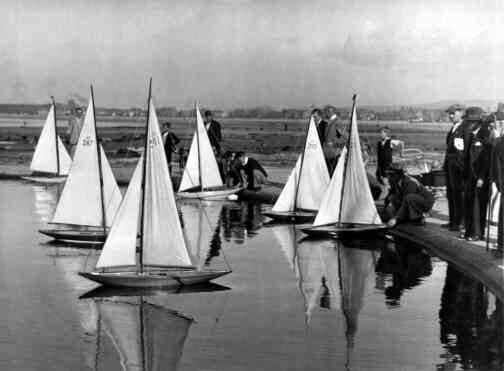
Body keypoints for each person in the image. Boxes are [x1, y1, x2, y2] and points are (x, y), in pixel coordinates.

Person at [463, 117, 492, 241]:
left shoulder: (485, 135)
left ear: (475, 123)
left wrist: (482, 177)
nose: (467, 124)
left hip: (479, 178)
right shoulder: (471, 135)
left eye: (469, 122)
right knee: (469, 204)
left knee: (478, 206)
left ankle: (478, 233)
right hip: (470, 176)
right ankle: (469, 231)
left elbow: (486, 159)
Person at [443, 104, 471, 231]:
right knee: (451, 194)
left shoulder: (465, 128)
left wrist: (460, 167)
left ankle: (459, 222)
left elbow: (463, 151)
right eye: (449, 113)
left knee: (458, 194)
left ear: (460, 113)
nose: (450, 116)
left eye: (453, 113)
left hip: (458, 168)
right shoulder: (454, 128)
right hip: (450, 167)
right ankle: (453, 220)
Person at [384, 162, 435, 227]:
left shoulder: (409, 182)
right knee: (392, 197)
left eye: (391, 175)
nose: (389, 177)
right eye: (389, 175)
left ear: (398, 175)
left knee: (409, 197)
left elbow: (406, 202)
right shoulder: (396, 181)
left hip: (426, 202)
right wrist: (385, 209)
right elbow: (390, 195)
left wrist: (396, 218)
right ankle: (406, 217)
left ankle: (418, 218)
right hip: (413, 200)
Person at [323, 106, 344, 175]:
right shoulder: (327, 122)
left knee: (333, 173)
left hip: (334, 152)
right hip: (327, 152)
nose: (324, 113)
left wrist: (334, 143)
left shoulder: (337, 122)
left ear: (331, 112)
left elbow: (344, 137)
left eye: (326, 112)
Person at [492, 132, 504, 251]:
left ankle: (502, 245)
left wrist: (499, 183)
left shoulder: (500, 143)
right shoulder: (500, 143)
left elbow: (497, 166)